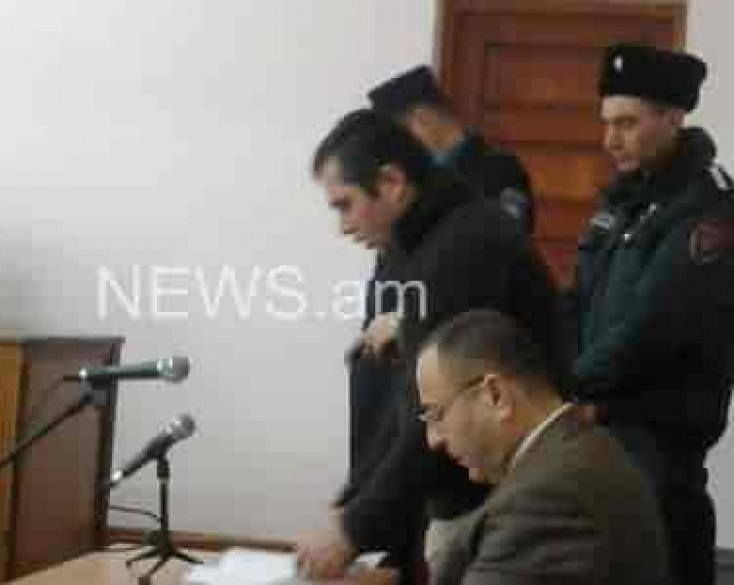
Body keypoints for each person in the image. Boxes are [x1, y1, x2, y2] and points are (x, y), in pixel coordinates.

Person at [295, 109, 562, 582]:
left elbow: (438, 416)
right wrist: (355, 500)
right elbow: (402, 401)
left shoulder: (464, 247)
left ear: (392, 182)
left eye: (345, 205)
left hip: (497, 499)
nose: (343, 226)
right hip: (451, 492)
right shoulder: (411, 242)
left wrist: (354, 528)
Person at [571, 43, 734, 585]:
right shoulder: (624, 199)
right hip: (601, 425)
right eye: (606, 123)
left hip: (659, 441)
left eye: (627, 123)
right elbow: (578, 298)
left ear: (673, 118)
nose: (609, 140)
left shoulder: (708, 209)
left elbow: (652, 328)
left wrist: (568, 389)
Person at [416, 309, 671, 585]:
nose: (433, 439)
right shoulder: (575, 451)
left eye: (437, 414)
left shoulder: (547, 499)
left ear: (495, 396)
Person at [368, 65, 534, 234]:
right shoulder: (423, 178)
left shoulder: (499, 170)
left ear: (422, 120)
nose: (399, 149)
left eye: (400, 137)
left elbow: (507, 237)